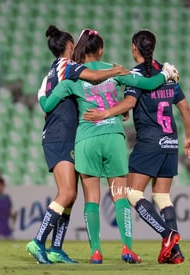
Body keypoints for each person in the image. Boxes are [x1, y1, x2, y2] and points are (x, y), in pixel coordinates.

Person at [38, 28, 179, 264]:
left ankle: (95, 252)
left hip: (86, 140)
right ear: (101, 50)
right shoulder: (116, 71)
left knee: (91, 199)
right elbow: (147, 83)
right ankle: (127, 248)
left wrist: (42, 94)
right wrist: (166, 74)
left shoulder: (73, 77)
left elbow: (48, 103)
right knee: (120, 196)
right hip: (113, 136)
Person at [83, 29, 190, 264]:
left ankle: (168, 235)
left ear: (134, 48)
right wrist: (189, 138)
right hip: (171, 140)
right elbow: (184, 107)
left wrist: (107, 112)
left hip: (149, 142)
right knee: (162, 196)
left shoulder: (136, 75)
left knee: (132, 194)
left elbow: (129, 102)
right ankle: (175, 252)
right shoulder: (167, 73)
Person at [26, 25, 130, 265]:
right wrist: (118, 71)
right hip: (60, 135)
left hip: (61, 134)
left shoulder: (50, 74)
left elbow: (44, 101)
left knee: (71, 197)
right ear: (70, 46)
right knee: (68, 193)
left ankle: (56, 249)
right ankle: (38, 241)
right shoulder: (69, 66)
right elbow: (93, 77)